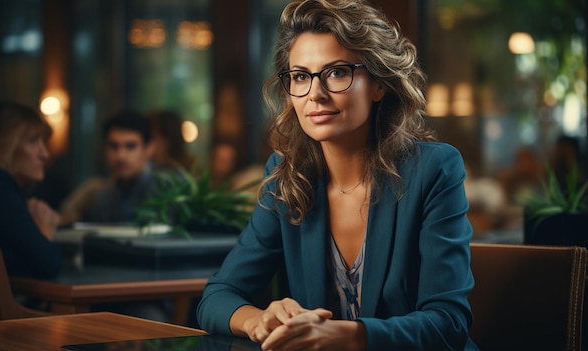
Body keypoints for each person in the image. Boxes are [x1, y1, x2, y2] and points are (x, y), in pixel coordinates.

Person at [197, 1, 478, 350]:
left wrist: (344, 335)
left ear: (378, 85)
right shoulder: (288, 176)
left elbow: (448, 323)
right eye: (300, 76)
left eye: (337, 72)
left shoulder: (433, 170)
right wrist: (257, 320)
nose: (315, 93)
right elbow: (218, 296)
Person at [0, 101, 62, 279]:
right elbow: (49, 264)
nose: (44, 154)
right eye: (32, 141)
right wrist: (43, 228)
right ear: (0, 145)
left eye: (43, 142)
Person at [59, 110, 155, 225]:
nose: (120, 156)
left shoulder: (168, 188)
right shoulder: (101, 192)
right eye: (113, 146)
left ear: (148, 149)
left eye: (130, 146)